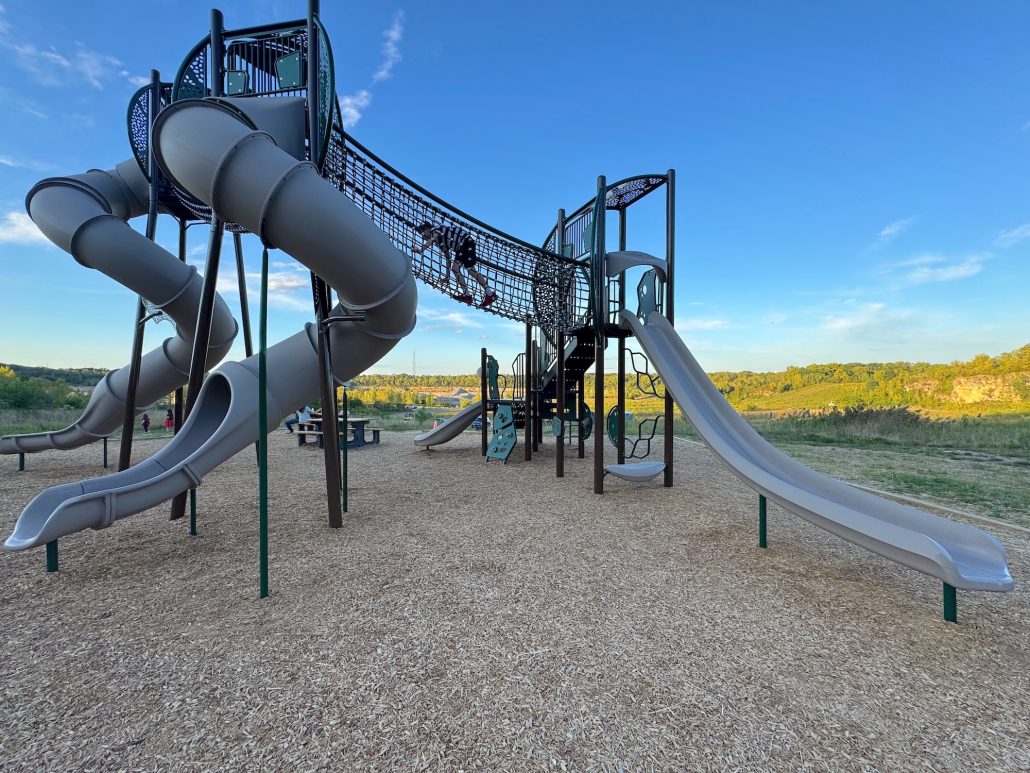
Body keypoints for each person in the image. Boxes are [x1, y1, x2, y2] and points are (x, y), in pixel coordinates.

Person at [413, 221, 497, 307]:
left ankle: (488, 294)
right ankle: (470, 295)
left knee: (470, 270)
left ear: (427, 229)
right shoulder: (439, 243)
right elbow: (448, 258)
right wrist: (447, 276)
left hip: (465, 242)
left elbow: (431, 240)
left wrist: (420, 250)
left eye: (423, 233)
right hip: (460, 248)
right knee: (459, 269)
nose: (423, 237)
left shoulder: (436, 230)